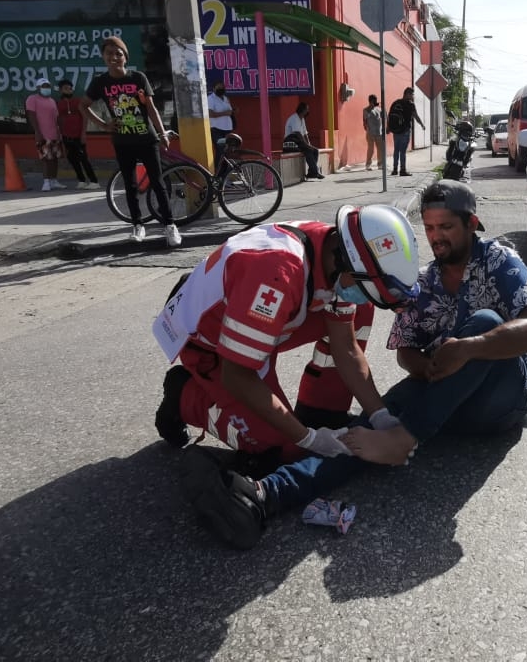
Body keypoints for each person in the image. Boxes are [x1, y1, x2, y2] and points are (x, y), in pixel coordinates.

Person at [180, 181, 527, 549]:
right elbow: (405, 350)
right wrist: (418, 376)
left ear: (472, 225)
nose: (437, 237)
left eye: (447, 227)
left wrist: (471, 348)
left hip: (502, 400)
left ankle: (403, 436)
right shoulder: (424, 281)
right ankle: (264, 495)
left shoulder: (499, 260)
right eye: (431, 228)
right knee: (361, 433)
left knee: (485, 322)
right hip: (444, 399)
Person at [150, 205, 423, 545]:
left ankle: (320, 406)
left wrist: (380, 415)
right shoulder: (278, 274)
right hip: (211, 341)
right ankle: (186, 397)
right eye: (367, 284)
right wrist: (305, 438)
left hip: (257, 318)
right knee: (276, 449)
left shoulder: (336, 255)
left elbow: (347, 349)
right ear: (347, 261)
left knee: (360, 308)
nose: (361, 292)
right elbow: (238, 375)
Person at [80, 36, 181, 246]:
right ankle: (138, 225)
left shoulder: (137, 78)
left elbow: (151, 108)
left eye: (119, 53)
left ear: (125, 57)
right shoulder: (101, 82)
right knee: (130, 184)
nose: (114, 57)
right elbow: (83, 106)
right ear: (103, 57)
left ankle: (170, 226)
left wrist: (162, 133)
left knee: (158, 183)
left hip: (147, 139)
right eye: (109, 53)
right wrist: (105, 125)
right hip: (122, 141)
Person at [56, 79, 98, 190]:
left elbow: (85, 117)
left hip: (78, 135)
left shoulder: (79, 101)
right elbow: (59, 120)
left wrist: (83, 133)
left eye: (70, 88)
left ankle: (94, 181)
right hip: (66, 135)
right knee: (72, 159)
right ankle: (81, 180)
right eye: (66, 88)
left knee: (83, 158)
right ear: (60, 90)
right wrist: (61, 134)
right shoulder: (59, 104)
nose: (69, 90)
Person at [26, 78, 63, 192]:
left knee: (55, 158)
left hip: (54, 134)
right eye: (44, 86)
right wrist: (37, 131)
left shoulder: (52, 101)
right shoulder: (32, 99)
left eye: (48, 86)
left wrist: (59, 132)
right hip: (43, 134)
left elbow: (56, 118)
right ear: (38, 88)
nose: (46, 88)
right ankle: (46, 182)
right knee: (46, 159)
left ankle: (54, 181)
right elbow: (31, 116)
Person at [387, 87, 424, 177]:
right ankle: (403, 170)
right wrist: (422, 124)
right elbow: (416, 116)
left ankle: (395, 170)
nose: (413, 96)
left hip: (396, 131)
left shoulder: (396, 103)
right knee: (402, 151)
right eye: (412, 94)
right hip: (405, 130)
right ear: (407, 94)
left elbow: (390, 116)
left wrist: (388, 127)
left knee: (396, 149)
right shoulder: (410, 105)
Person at [283, 102, 324, 180]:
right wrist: (306, 145)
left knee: (315, 150)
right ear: (303, 110)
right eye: (307, 109)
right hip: (290, 143)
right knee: (308, 150)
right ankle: (315, 172)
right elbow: (298, 134)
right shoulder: (294, 118)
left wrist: (309, 144)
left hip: (298, 141)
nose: (308, 111)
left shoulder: (302, 119)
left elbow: (305, 133)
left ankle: (312, 172)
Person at [207, 80, 235, 161]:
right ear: (214, 88)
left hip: (227, 129)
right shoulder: (210, 99)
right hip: (216, 129)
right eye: (218, 87)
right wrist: (225, 113)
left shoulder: (225, 98)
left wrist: (233, 111)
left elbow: (229, 111)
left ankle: (225, 171)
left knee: (228, 151)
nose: (221, 88)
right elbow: (210, 114)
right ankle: (218, 171)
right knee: (220, 150)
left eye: (222, 87)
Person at [362, 94, 384, 171]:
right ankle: (368, 165)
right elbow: (365, 121)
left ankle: (380, 164)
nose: (375, 102)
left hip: (379, 132)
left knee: (380, 149)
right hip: (370, 133)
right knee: (371, 149)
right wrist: (370, 108)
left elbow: (383, 117)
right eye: (374, 101)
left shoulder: (379, 109)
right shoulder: (366, 110)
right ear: (370, 101)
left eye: (376, 100)